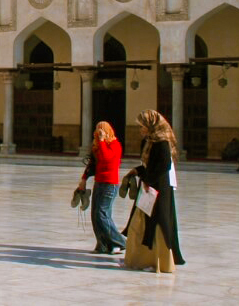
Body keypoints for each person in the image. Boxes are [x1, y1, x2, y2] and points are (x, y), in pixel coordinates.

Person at [122, 110, 185, 273]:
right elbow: (148, 166)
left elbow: (164, 166)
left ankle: (160, 262)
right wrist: (139, 172)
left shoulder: (162, 142)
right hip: (149, 186)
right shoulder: (148, 141)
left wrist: (149, 180)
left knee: (158, 224)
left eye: (142, 126)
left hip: (159, 189)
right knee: (139, 222)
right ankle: (140, 259)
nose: (140, 129)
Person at [78, 121, 126, 255]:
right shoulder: (98, 146)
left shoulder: (115, 145)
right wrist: (83, 179)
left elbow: (106, 159)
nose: (98, 133)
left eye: (101, 130)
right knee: (95, 215)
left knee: (102, 214)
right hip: (99, 183)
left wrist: (102, 141)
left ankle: (120, 242)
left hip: (110, 184)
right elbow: (93, 165)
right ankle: (103, 244)